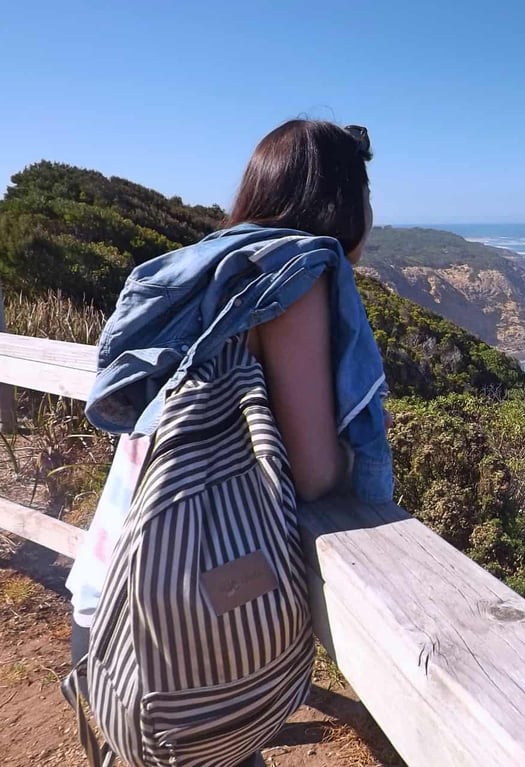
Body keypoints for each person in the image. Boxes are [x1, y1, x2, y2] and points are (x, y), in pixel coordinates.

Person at [65, 119, 392, 767]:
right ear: (345, 201)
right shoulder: (292, 276)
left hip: (105, 605)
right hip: (171, 639)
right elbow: (314, 470)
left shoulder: (209, 274)